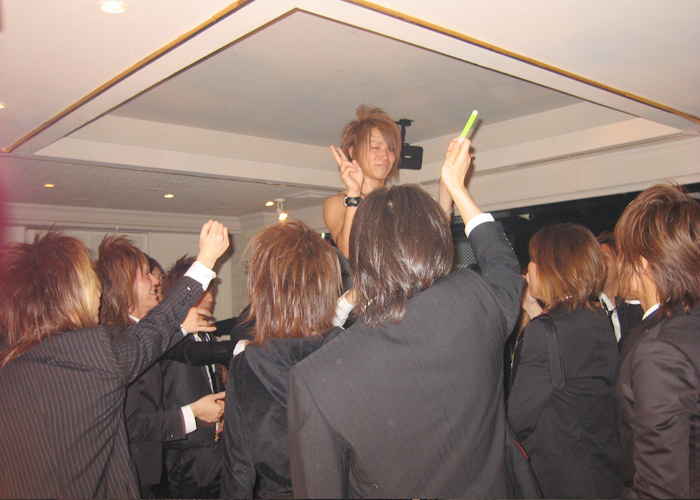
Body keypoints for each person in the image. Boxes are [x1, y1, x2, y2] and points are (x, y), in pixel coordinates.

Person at [288, 138, 534, 498]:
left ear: (361, 257)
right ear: (437, 242)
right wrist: (457, 188)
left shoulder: (316, 378)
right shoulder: (473, 303)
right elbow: (504, 265)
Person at [0, 220, 228, 499]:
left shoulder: (12, 358)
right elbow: (156, 329)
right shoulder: (89, 351)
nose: (99, 290)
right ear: (67, 297)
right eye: (90, 281)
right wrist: (206, 259)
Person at [221, 219, 343, 499]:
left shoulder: (245, 366)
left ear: (262, 291)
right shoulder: (349, 353)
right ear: (325, 286)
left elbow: (237, 474)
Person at [97, 235, 226, 498]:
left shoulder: (138, 334)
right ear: (125, 284)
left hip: (149, 471)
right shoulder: (116, 339)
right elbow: (130, 425)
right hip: (132, 474)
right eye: (146, 274)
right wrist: (193, 413)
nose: (157, 281)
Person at [507, 224, 623, 498]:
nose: (529, 267)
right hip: (602, 471)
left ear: (552, 269)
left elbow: (517, 420)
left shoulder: (543, 332)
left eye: (534, 260)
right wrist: (533, 308)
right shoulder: (597, 317)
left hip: (562, 480)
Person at [613, 183, 700, 499]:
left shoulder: (661, 351)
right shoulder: (688, 322)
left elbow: (661, 487)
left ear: (642, 262)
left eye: (622, 253)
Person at [323, 104, 452, 258]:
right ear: (353, 151)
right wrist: (353, 193)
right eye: (375, 148)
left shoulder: (403, 200)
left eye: (390, 149)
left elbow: (437, 241)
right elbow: (350, 251)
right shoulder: (337, 203)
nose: (385, 156)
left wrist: (447, 189)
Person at [159, 256, 225, 499]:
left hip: (214, 456)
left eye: (211, 290)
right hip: (186, 458)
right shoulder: (167, 340)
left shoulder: (207, 335)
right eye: (203, 291)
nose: (210, 298)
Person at [596, 231, 643, 345]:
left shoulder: (637, 305)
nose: (598, 264)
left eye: (604, 257)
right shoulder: (590, 309)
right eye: (595, 259)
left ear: (620, 262)